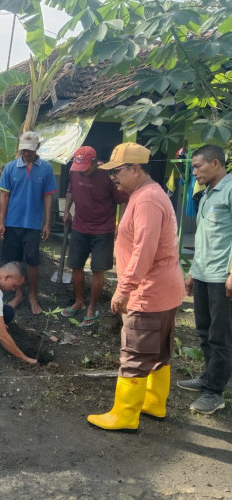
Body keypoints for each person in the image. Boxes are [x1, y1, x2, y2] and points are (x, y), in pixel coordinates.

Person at [87, 143, 185, 432]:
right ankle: (153, 403)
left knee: (135, 354)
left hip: (149, 291)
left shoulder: (146, 200)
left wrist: (124, 289)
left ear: (136, 168)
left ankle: (125, 415)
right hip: (163, 289)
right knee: (158, 351)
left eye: (117, 171)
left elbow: (145, 250)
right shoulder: (148, 195)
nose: (112, 177)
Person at [177, 144, 231, 415]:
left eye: (198, 166)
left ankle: (214, 392)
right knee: (204, 332)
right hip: (203, 274)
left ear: (217, 164)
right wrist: (192, 271)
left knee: (220, 336)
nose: (194, 171)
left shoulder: (230, 189)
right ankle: (209, 377)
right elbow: (204, 237)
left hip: (223, 276)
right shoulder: (207, 193)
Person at [61, 146, 129, 327]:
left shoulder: (108, 175)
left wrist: (119, 225)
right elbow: (70, 191)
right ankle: (79, 301)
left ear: (94, 163)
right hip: (79, 226)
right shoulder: (74, 172)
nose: (81, 172)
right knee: (75, 265)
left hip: (103, 229)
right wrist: (67, 210)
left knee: (98, 269)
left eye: (85, 168)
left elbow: (123, 200)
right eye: (78, 167)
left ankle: (92, 306)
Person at [0, 131, 58, 315]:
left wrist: (47, 223)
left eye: (29, 150)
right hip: (12, 223)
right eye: (23, 149)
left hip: (32, 224)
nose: (26, 153)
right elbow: (4, 196)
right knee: (12, 262)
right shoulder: (10, 168)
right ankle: (17, 295)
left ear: (37, 148)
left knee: (32, 261)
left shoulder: (46, 168)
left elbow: (48, 197)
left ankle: (32, 296)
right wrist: (1, 223)